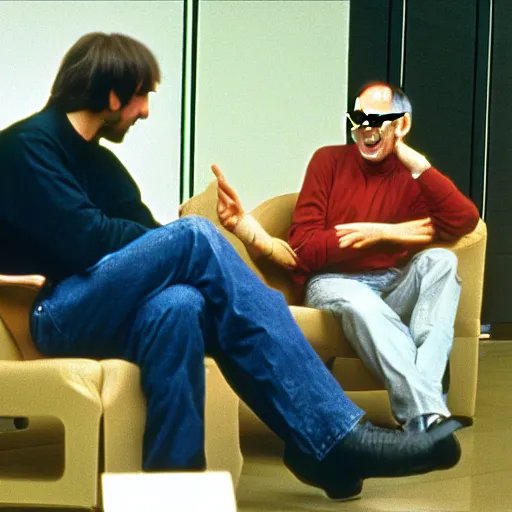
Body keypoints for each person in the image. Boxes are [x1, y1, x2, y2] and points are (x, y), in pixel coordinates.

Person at [0, 35, 463, 503]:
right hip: (53, 316)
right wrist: (168, 245)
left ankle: (174, 491)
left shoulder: (100, 164)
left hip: (101, 306)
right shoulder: (27, 148)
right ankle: (333, 438)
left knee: (180, 304)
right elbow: (89, 243)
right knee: (194, 237)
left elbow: (140, 236)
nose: (144, 112)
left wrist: (163, 246)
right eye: (142, 97)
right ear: (113, 95)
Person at [214, 82, 480, 434]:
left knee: (442, 264)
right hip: (334, 283)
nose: (365, 128)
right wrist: (380, 235)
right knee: (361, 303)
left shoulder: (413, 177)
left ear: (401, 125)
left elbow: (463, 221)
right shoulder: (328, 162)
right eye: (358, 118)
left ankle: (424, 403)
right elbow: (305, 249)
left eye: (377, 119)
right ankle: (427, 411)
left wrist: (382, 229)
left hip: (393, 281)